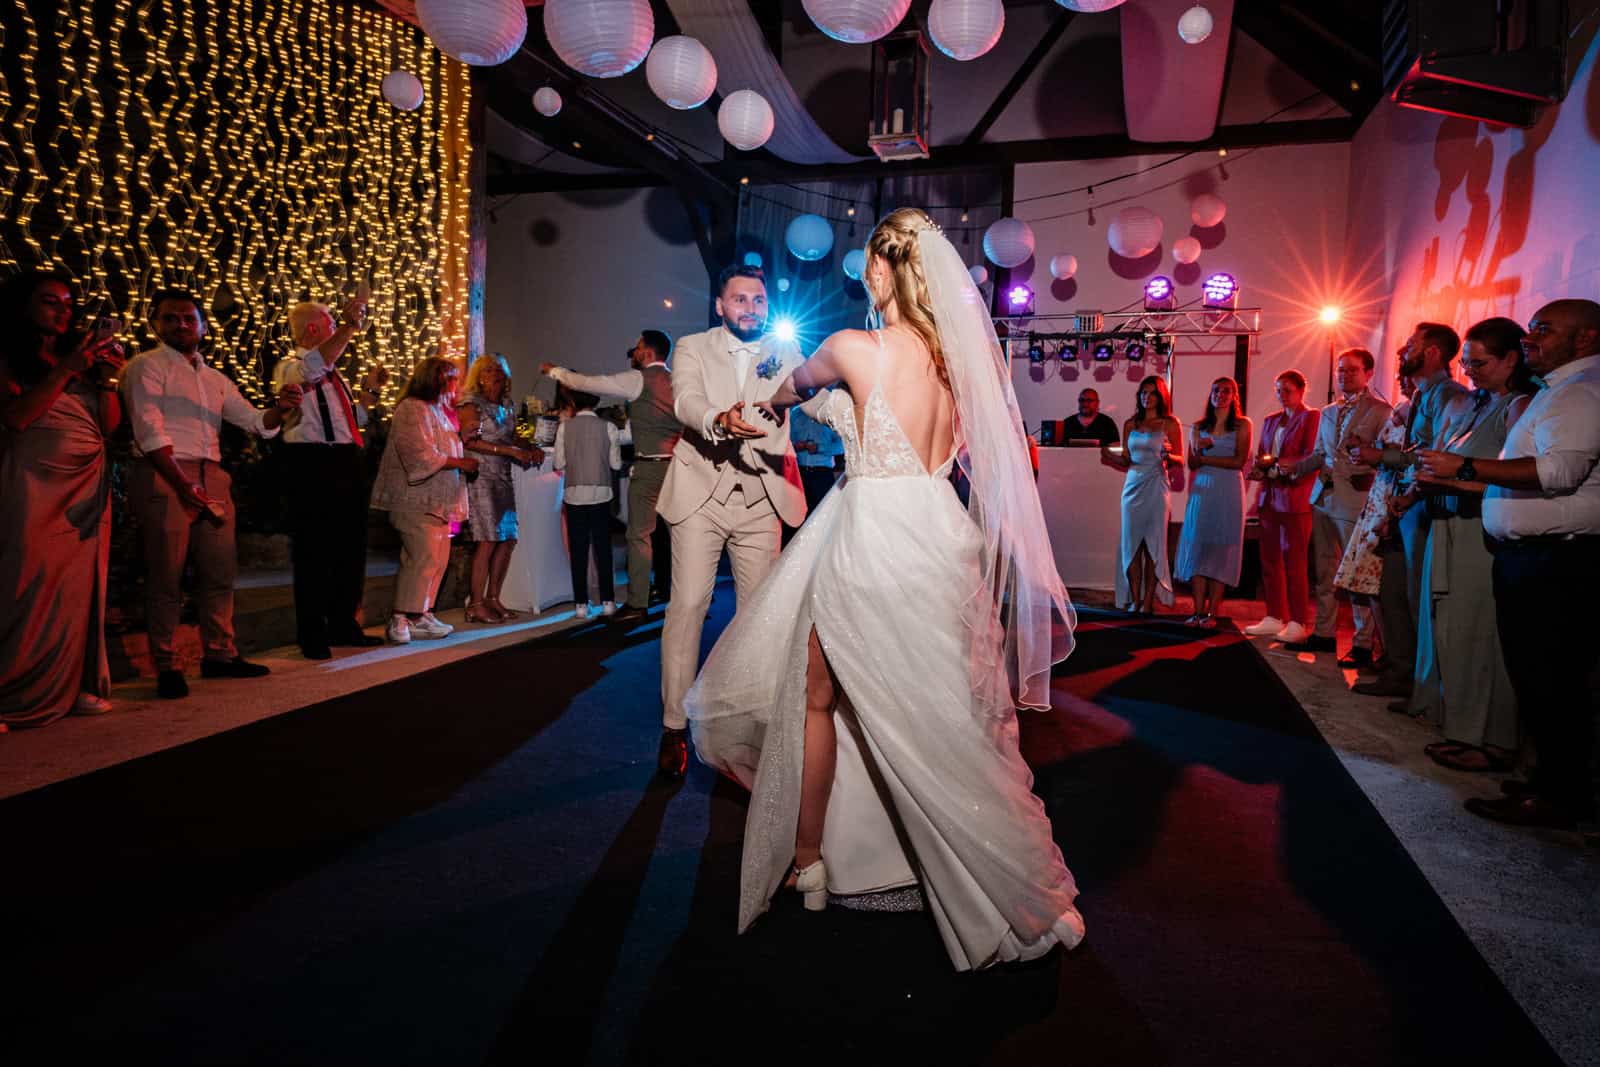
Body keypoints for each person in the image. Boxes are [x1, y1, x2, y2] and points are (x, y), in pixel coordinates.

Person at [685, 208, 1084, 971]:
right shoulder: (959, 367)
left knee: (816, 691)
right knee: (939, 707)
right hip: (940, 534)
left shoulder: (850, 348)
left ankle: (809, 858)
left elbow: (788, 389)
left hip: (871, 533)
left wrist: (764, 401)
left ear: (877, 271)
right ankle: (983, 868)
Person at [1418, 300, 1600, 830]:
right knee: (1539, 679)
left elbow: (1560, 473)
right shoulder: (1558, 392)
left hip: (1557, 560)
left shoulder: (1582, 392)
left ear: (1586, 338)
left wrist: (1466, 465)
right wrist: (1457, 477)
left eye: (1544, 330)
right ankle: (1550, 782)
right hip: (1535, 557)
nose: (1530, 339)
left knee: (1554, 682)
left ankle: (1562, 798)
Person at [654, 265, 828, 779]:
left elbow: (814, 397)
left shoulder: (787, 350)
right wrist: (716, 419)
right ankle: (672, 728)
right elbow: (685, 398)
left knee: (760, 617)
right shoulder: (691, 346)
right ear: (720, 305)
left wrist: (860, 410)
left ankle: (751, 725)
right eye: (739, 299)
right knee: (688, 606)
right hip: (699, 496)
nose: (750, 308)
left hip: (763, 499)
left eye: (758, 300)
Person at [122, 288, 300, 700]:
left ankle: (220, 655)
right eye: (170, 318)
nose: (181, 324)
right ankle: (167, 664)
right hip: (165, 471)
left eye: (189, 318)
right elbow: (149, 430)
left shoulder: (214, 379)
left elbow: (257, 422)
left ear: (203, 326)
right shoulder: (144, 367)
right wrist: (185, 485)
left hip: (211, 475)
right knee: (166, 574)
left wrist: (282, 407)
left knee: (219, 573)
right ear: (155, 325)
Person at [1403, 318, 1535, 770]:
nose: (1470, 371)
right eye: (1467, 362)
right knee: (1452, 633)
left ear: (1511, 359)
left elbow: (1521, 477)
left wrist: (1456, 473)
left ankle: (1490, 740)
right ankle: (1463, 729)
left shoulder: (1518, 406)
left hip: (1479, 530)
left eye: (1478, 363)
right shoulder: (1476, 404)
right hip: (1449, 523)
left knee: (1480, 637)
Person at [0, 271, 126, 729]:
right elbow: (18, 417)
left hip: (84, 482)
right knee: (25, 581)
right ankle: (10, 690)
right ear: (24, 305)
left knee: (79, 588)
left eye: (69, 304)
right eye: (50, 301)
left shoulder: (83, 361)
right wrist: (66, 369)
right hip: (34, 480)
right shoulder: (12, 357)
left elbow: (109, 426)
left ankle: (73, 685)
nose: (62, 311)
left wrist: (109, 380)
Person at [1350, 323, 1468, 699]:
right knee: (1393, 593)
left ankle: (1421, 685)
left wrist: (1379, 456)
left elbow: (1434, 454)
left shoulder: (1447, 395)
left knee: (1414, 597)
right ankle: (1402, 674)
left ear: (1432, 351)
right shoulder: (1423, 396)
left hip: (1423, 506)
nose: (1402, 350)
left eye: (1411, 344)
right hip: (1406, 503)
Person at [272, 296, 382, 660]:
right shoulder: (290, 366)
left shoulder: (335, 377)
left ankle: (343, 624)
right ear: (314, 329)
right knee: (314, 551)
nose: (338, 331)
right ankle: (312, 633)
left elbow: (354, 423)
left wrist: (371, 391)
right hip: (311, 463)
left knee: (349, 550)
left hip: (344, 460)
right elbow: (313, 368)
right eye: (333, 325)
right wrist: (351, 325)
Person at [542, 330, 679, 622]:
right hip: (678, 467)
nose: (634, 351)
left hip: (648, 468)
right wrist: (606, 435)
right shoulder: (678, 380)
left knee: (638, 536)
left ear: (649, 353)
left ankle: (637, 603)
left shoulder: (638, 379)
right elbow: (638, 431)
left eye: (639, 347)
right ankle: (688, 599)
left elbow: (590, 382)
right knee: (679, 537)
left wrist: (555, 371)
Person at [1284, 349, 1393, 660]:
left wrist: (1366, 470)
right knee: (1324, 570)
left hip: (1355, 497)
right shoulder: (1329, 410)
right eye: (1341, 371)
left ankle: (1362, 642)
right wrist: (1295, 468)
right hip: (1323, 496)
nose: (1344, 376)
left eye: (1352, 371)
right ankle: (1324, 632)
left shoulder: (1380, 411)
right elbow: (1320, 453)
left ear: (1369, 373)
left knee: (1355, 572)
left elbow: (1385, 457)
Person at [369, 356, 477, 644]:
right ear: (433, 379)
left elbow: (441, 446)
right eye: (449, 377)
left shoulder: (438, 411)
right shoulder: (411, 408)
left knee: (437, 559)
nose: (454, 384)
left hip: (439, 500)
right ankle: (400, 617)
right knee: (421, 558)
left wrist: (460, 438)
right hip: (414, 499)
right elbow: (417, 453)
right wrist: (459, 462)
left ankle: (422, 613)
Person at [1333, 374, 1416, 663]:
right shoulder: (1402, 409)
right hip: (1379, 495)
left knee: (1386, 586)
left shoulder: (1420, 412)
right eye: (1401, 373)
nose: (1401, 379)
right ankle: (1389, 654)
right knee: (1371, 586)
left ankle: (1394, 657)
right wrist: (1365, 449)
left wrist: (1378, 454)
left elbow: (1413, 458)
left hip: (1397, 496)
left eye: (1407, 373)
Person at [459, 352, 542, 623]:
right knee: (487, 540)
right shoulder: (471, 404)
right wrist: (507, 450)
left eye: (499, 370)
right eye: (489, 370)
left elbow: (514, 435)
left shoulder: (507, 404)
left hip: (503, 477)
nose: (495, 375)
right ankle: (476, 602)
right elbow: (469, 442)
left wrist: (528, 446)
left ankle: (494, 597)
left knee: (507, 539)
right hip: (481, 476)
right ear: (479, 377)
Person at [1243, 370, 1320, 643]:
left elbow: (1310, 456)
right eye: (1278, 389)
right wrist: (1260, 470)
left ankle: (1298, 620)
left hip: (1295, 496)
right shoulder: (1270, 420)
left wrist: (1279, 467)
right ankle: (1275, 615)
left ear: (1301, 390)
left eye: (1287, 389)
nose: (1282, 395)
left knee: (1295, 562)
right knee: (1269, 559)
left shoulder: (1311, 417)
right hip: (1269, 497)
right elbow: (1263, 456)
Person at [1102, 375, 1183, 615]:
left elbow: (1180, 459)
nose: (1147, 397)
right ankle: (1134, 598)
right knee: (1132, 545)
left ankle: (1148, 600)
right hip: (1133, 485)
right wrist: (1109, 456)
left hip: (1157, 485)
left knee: (1153, 545)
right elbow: (1127, 459)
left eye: (1152, 393)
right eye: (1143, 393)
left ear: (1161, 397)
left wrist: (1169, 455)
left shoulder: (1169, 423)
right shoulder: (1131, 424)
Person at [1175, 377, 1252, 627]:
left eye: (1227, 391)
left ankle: (1212, 614)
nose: (1221, 394)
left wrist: (1207, 457)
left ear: (1234, 396)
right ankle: (1197, 611)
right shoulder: (1198, 426)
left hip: (1228, 489)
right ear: (1210, 394)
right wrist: (1202, 450)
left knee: (1221, 550)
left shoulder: (1242, 425)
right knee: (1199, 546)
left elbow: (1239, 461)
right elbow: (1192, 464)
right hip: (1203, 489)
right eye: (1216, 390)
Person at [552, 388, 622, 618]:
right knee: (603, 549)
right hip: (601, 493)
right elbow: (615, 464)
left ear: (572, 402)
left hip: (574, 494)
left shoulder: (565, 428)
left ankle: (581, 604)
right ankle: (608, 601)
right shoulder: (608, 427)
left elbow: (559, 463)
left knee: (579, 549)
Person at [786, 398, 844, 518]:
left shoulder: (830, 413)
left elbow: (842, 446)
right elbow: (785, 441)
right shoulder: (796, 413)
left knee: (823, 515)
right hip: (799, 473)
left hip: (822, 474)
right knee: (798, 516)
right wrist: (795, 446)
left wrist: (819, 448)